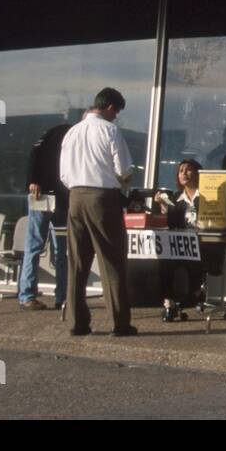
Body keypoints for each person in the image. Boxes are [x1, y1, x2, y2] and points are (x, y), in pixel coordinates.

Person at [60, 87, 137, 337]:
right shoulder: (110, 130)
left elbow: (63, 174)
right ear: (111, 108)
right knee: (111, 260)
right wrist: (125, 183)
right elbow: (123, 169)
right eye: (117, 113)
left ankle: (76, 322)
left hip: (75, 197)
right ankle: (119, 323)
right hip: (102, 198)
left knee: (77, 262)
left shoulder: (72, 132)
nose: (116, 118)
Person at [18, 121, 72, 310]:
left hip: (48, 194)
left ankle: (30, 295)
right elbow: (37, 151)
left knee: (38, 245)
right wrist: (34, 179)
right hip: (53, 195)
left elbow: (36, 151)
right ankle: (60, 296)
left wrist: (33, 179)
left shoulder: (55, 132)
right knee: (56, 249)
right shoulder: (64, 133)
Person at [153, 158, 204, 322]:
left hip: (201, 244)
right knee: (164, 262)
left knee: (196, 264)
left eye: (188, 170)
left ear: (197, 173)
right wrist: (162, 203)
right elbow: (170, 217)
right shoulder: (176, 197)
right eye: (181, 171)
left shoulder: (204, 196)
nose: (184, 173)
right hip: (180, 245)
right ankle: (168, 303)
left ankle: (195, 295)